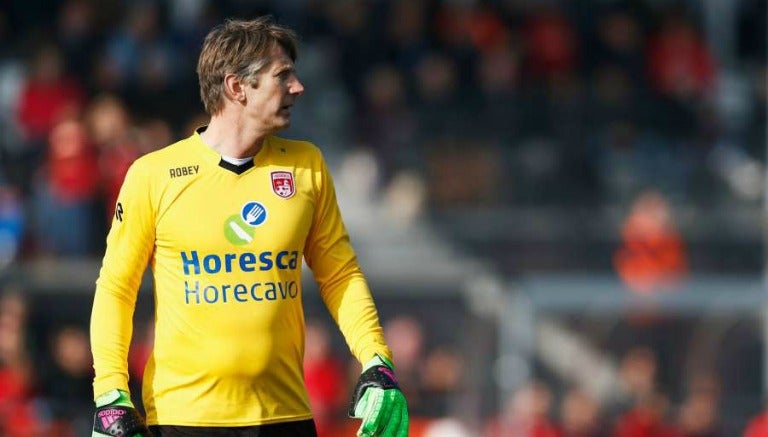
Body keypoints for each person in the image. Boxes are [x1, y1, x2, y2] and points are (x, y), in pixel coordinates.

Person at [89, 17, 408, 437]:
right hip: (184, 419)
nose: (298, 87)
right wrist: (111, 392)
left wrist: (376, 360)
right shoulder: (154, 175)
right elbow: (116, 287)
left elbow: (340, 274)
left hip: (285, 416)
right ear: (238, 87)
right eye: (283, 76)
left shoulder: (306, 165)